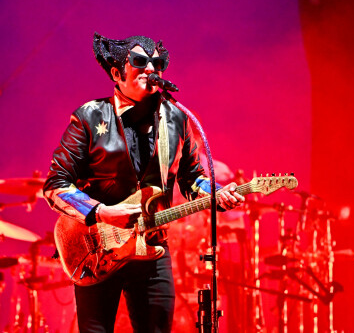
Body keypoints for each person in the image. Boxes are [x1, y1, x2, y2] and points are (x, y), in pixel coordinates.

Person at [43, 32, 244, 333]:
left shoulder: (177, 119)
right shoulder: (89, 116)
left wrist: (214, 193)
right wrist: (102, 212)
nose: (151, 68)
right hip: (98, 249)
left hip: (152, 249)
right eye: (139, 62)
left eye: (157, 63)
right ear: (116, 72)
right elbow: (55, 184)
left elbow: (192, 179)